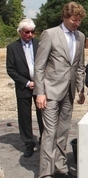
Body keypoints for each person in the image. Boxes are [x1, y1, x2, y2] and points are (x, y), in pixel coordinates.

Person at [34, 2, 86, 178]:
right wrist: (40, 93)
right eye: (73, 19)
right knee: (49, 133)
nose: (76, 23)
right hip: (49, 92)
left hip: (69, 92)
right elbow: (39, 66)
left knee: (63, 131)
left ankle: (60, 168)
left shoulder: (81, 36)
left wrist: (80, 89)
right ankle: (45, 173)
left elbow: (79, 66)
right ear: (64, 16)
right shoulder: (50, 34)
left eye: (79, 20)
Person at [6, 18, 43, 158]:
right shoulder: (12, 48)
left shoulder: (39, 44)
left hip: (40, 86)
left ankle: (44, 139)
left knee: (42, 114)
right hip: (23, 87)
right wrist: (27, 83)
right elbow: (11, 69)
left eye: (32, 32)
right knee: (24, 116)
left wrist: (39, 81)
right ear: (20, 32)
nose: (30, 35)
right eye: (27, 32)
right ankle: (28, 143)